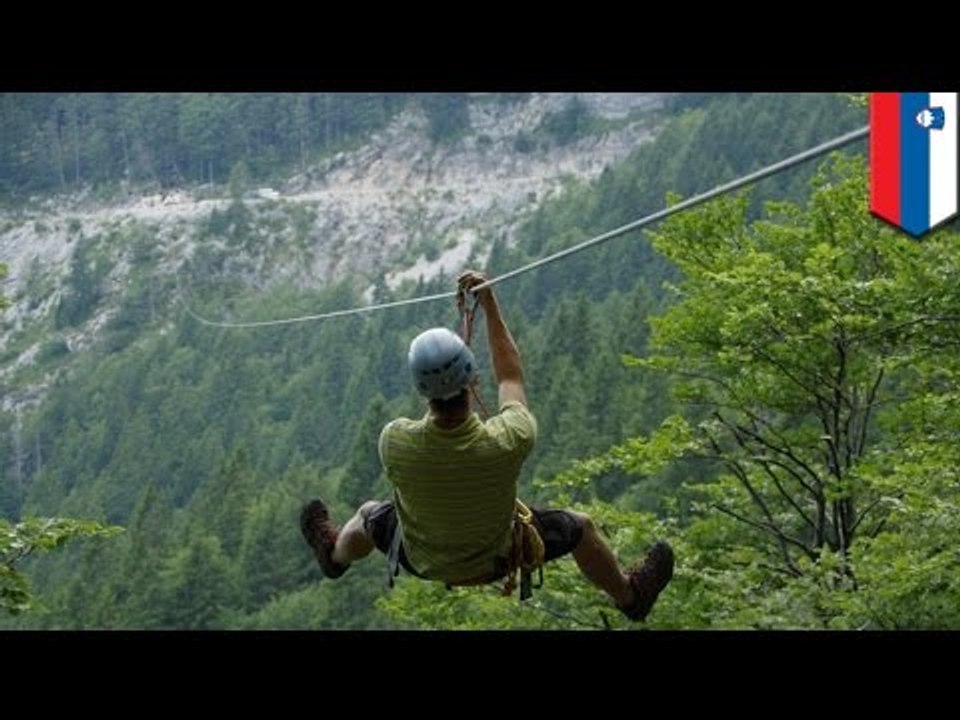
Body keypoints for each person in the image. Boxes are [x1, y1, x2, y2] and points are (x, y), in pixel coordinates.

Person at [300, 270, 674, 622]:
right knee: (581, 527)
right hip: (498, 558)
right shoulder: (508, 438)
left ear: (421, 390)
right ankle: (629, 596)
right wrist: (490, 303)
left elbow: (431, 439)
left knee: (368, 515)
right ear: (472, 379)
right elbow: (510, 373)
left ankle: (334, 556)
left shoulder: (394, 441)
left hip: (422, 559)